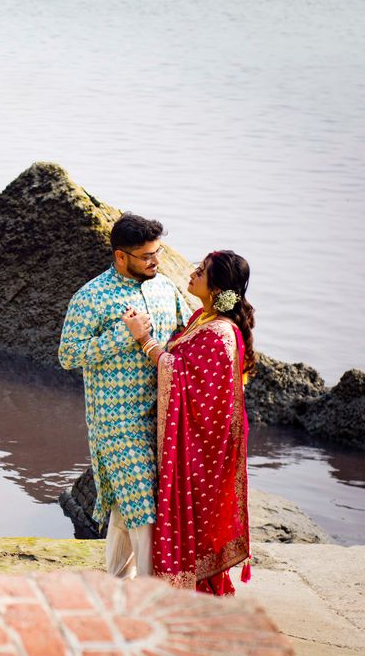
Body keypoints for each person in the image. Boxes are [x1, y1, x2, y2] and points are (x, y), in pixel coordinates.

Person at [59, 214, 191, 579]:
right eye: (147, 255)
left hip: (162, 415)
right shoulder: (91, 297)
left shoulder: (165, 288)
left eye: (157, 252)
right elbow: (68, 355)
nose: (156, 261)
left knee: (128, 501)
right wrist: (124, 334)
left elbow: (185, 336)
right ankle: (154, 594)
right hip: (115, 420)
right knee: (144, 505)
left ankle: (117, 582)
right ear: (121, 256)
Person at [122, 250, 255, 595]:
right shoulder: (202, 317)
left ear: (218, 286)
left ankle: (188, 591)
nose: (192, 274)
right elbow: (183, 360)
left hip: (205, 443)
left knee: (194, 517)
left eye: (201, 271)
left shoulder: (220, 333)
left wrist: (142, 338)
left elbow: (178, 372)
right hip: (196, 437)